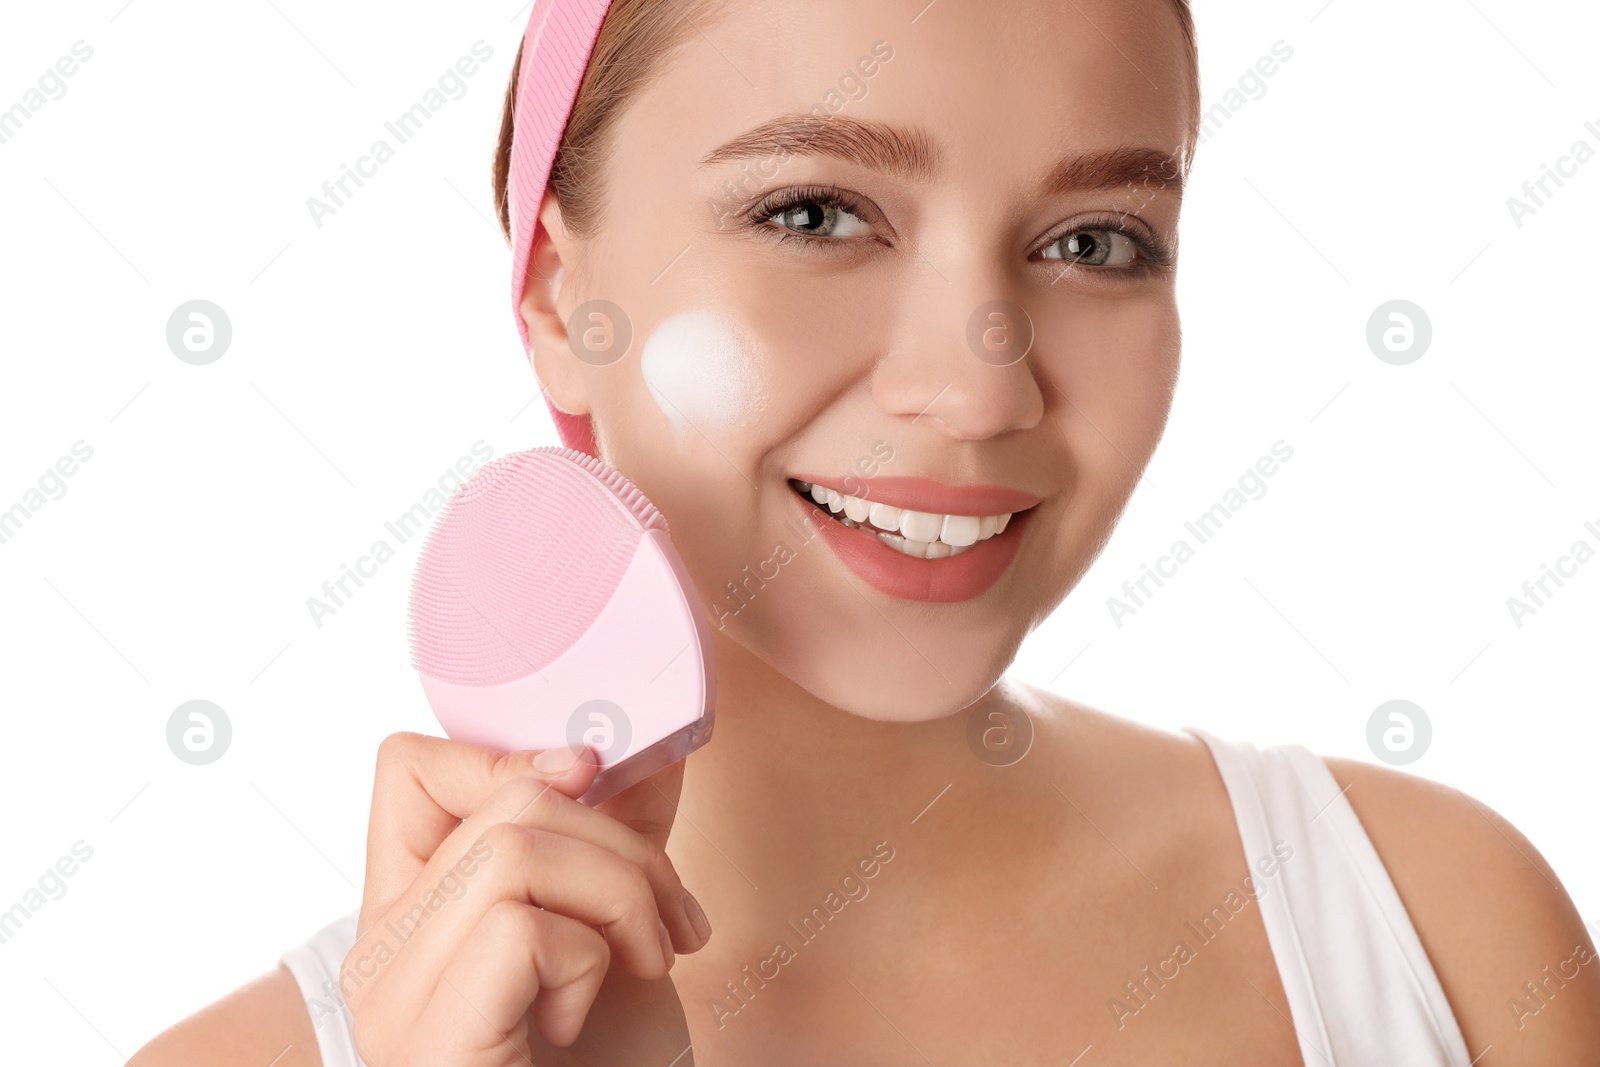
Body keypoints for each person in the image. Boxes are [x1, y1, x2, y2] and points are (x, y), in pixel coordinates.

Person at [130, 0, 1600, 1062]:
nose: (977, 388)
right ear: (551, 298)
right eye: (819, 213)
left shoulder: (1439, 932)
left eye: (1095, 241)